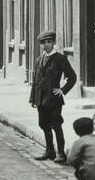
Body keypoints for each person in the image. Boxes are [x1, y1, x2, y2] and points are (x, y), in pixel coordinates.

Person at [29, 30, 76, 163]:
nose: (46, 45)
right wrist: (33, 98)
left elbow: (72, 77)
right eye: (44, 43)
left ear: (53, 42)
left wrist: (63, 90)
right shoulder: (39, 60)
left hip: (53, 100)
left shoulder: (60, 59)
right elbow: (36, 80)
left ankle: (61, 153)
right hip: (40, 99)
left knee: (56, 125)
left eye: (49, 42)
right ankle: (49, 150)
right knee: (43, 125)